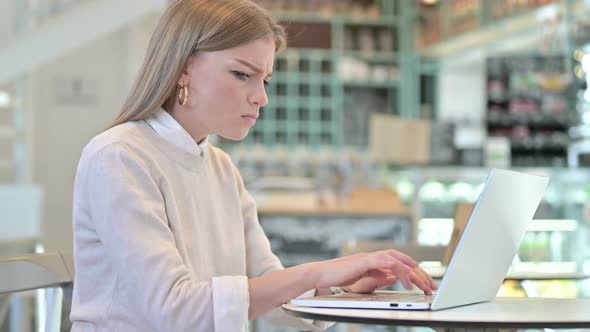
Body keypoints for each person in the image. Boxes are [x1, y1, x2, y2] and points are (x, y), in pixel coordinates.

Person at [70, 0, 436, 331]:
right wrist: (317, 271)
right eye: (242, 74)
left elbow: (269, 288)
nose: (261, 97)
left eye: (265, 79)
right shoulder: (120, 156)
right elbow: (174, 311)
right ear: (183, 69)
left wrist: (341, 286)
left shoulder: (221, 167)